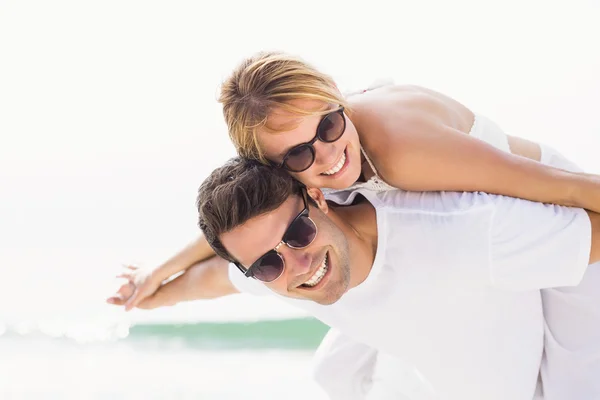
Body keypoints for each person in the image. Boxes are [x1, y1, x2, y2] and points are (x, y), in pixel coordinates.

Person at [110, 51, 600, 312]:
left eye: (328, 127)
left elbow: (569, 187)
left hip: (547, 205)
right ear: (276, 168)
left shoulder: (401, 151)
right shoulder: (308, 176)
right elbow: (246, 232)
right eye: (300, 152)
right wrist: (161, 270)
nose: (326, 156)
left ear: (335, 97)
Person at [116, 156, 599, 400]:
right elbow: (209, 281)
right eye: (266, 264)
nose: (297, 266)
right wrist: (151, 293)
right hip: (423, 334)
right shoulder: (277, 272)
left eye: (298, 231)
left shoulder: (467, 232)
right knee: (332, 373)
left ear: (319, 199)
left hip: (542, 353)